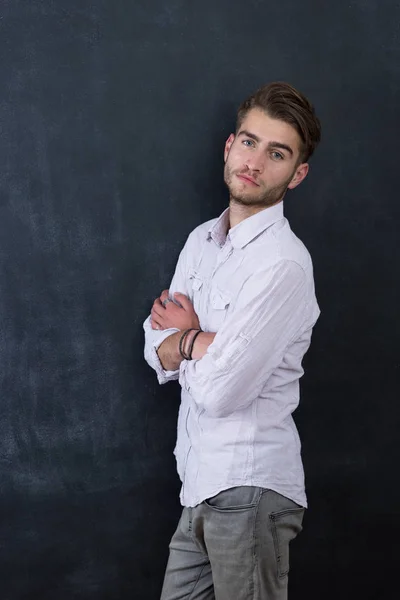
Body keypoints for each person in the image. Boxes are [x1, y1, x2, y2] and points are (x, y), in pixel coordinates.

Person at [143, 81, 321, 600]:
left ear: (297, 173)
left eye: (277, 153)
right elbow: (153, 346)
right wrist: (197, 342)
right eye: (249, 142)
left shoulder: (283, 265)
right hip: (198, 484)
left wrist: (185, 338)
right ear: (229, 146)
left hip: (250, 485)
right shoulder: (201, 240)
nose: (255, 162)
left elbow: (224, 393)